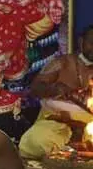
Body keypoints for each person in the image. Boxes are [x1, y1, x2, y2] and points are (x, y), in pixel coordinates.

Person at [18, 26, 93, 160]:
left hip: (89, 126)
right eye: (92, 43)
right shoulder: (62, 63)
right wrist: (54, 89)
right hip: (57, 124)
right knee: (35, 141)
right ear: (81, 42)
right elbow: (35, 88)